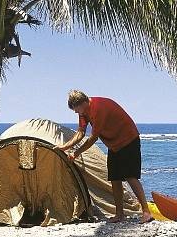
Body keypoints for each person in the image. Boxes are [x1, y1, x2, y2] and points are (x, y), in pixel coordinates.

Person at [55, 90, 153, 223]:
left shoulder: (99, 108)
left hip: (129, 140)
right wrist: (65, 147)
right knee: (115, 178)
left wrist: (76, 153)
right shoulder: (84, 111)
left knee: (130, 176)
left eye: (76, 109)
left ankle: (146, 212)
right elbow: (81, 132)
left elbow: (93, 137)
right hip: (114, 145)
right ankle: (119, 215)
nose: (76, 113)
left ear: (84, 103)